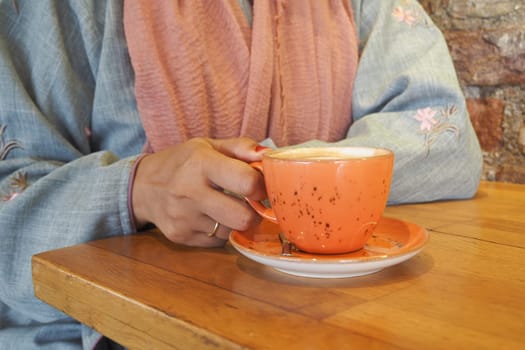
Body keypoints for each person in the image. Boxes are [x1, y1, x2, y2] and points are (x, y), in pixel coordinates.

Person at [0, 0, 482, 348]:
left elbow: (447, 138)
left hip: (343, 319)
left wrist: (279, 168)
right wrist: (135, 189)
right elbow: (11, 207)